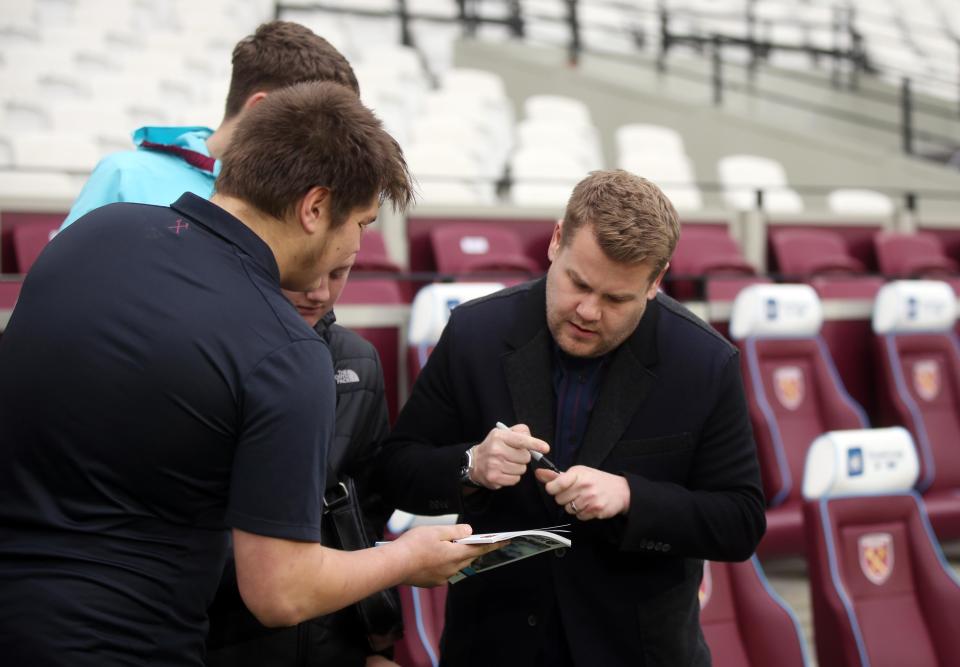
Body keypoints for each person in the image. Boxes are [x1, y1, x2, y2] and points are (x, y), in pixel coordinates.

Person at [0, 81, 496, 666]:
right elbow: (281, 592)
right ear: (314, 208)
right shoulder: (286, 352)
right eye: (361, 222)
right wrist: (407, 559)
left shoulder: (93, 233)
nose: (359, 246)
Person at [376, 170, 767, 666]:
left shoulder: (705, 363)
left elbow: (740, 521)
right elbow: (395, 472)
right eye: (577, 282)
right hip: (493, 647)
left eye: (616, 299)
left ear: (656, 281)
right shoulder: (476, 333)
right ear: (556, 240)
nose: (588, 310)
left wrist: (631, 497)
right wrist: (471, 465)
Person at [206, 263, 403, 666]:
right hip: (222, 636)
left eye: (339, 272)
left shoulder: (359, 362)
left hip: (332, 639)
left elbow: (366, 514)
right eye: (305, 272)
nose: (319, 292)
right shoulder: (207, 354)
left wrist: (372, 642)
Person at [59, 19, 359, 230]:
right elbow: (57, 291)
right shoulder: (124, 176)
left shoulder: (304, 202)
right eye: (319, 125)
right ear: (260, 110)